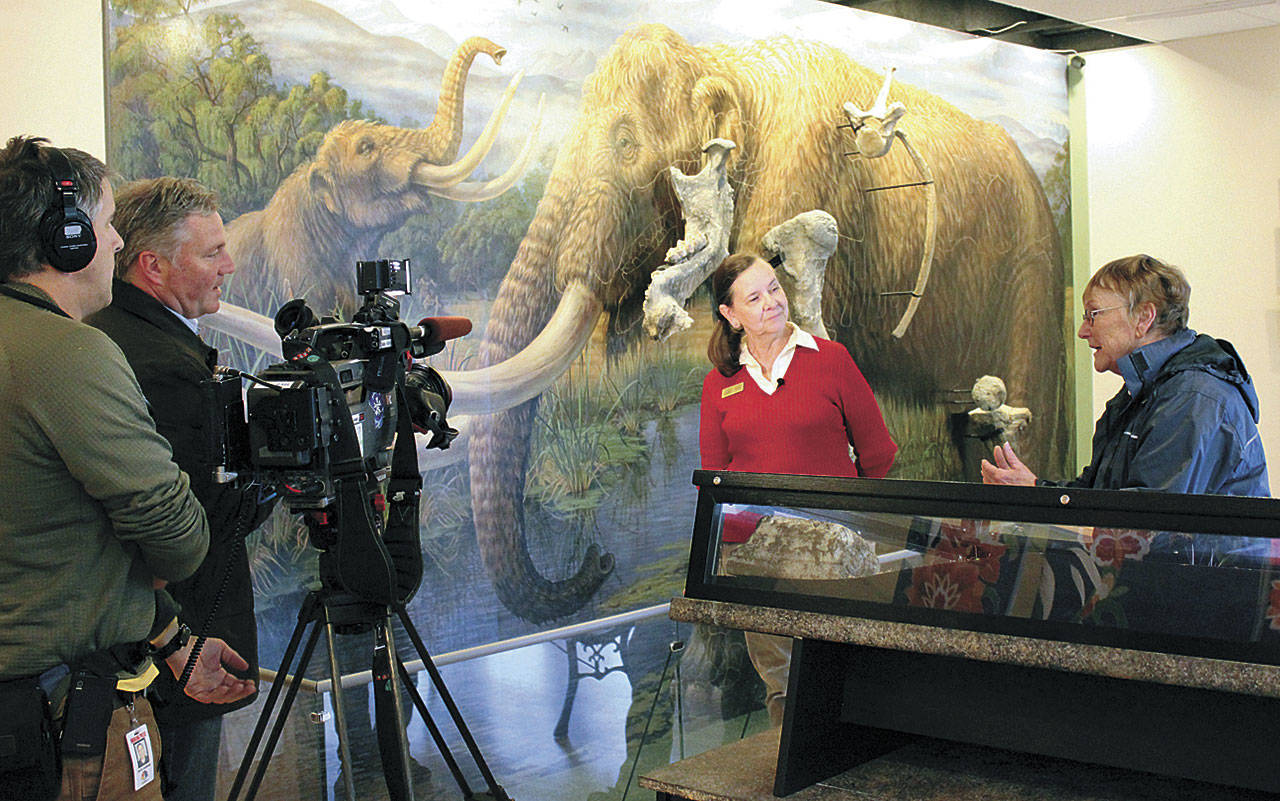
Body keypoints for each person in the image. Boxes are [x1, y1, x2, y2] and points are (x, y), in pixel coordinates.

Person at [0, 136, 254, 801]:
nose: (114, 243)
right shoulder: (71, 353)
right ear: (67, 240)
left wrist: (170, 635)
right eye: (106, 224)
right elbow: (177, 534)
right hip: (58, 709)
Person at [87, 177, 275, 801]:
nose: (230, 263)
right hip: (177, 642)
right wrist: (275, 481)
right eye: (211, 252)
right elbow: (190, 521)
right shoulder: (160, 363)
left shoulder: (115, 333)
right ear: (153, 267)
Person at [699, 252, 897, 726]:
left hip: (835, 553)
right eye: (754, 296)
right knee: (783, 689)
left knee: (851, 679)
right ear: (730, 315)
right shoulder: (718, 384)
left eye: (775, 288)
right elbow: (716, 478)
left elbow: (878, 454)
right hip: (756, 561)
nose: (771, 302)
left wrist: (851, 523)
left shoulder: (831, 359)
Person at [981, 254, 1269, 497]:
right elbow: (1099, 496)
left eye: (1094, 314)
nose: (1083, 331)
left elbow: (1146, 529)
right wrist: (1033, 489)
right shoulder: (1143, 394)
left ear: (1144, 318)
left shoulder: (1193, 398)